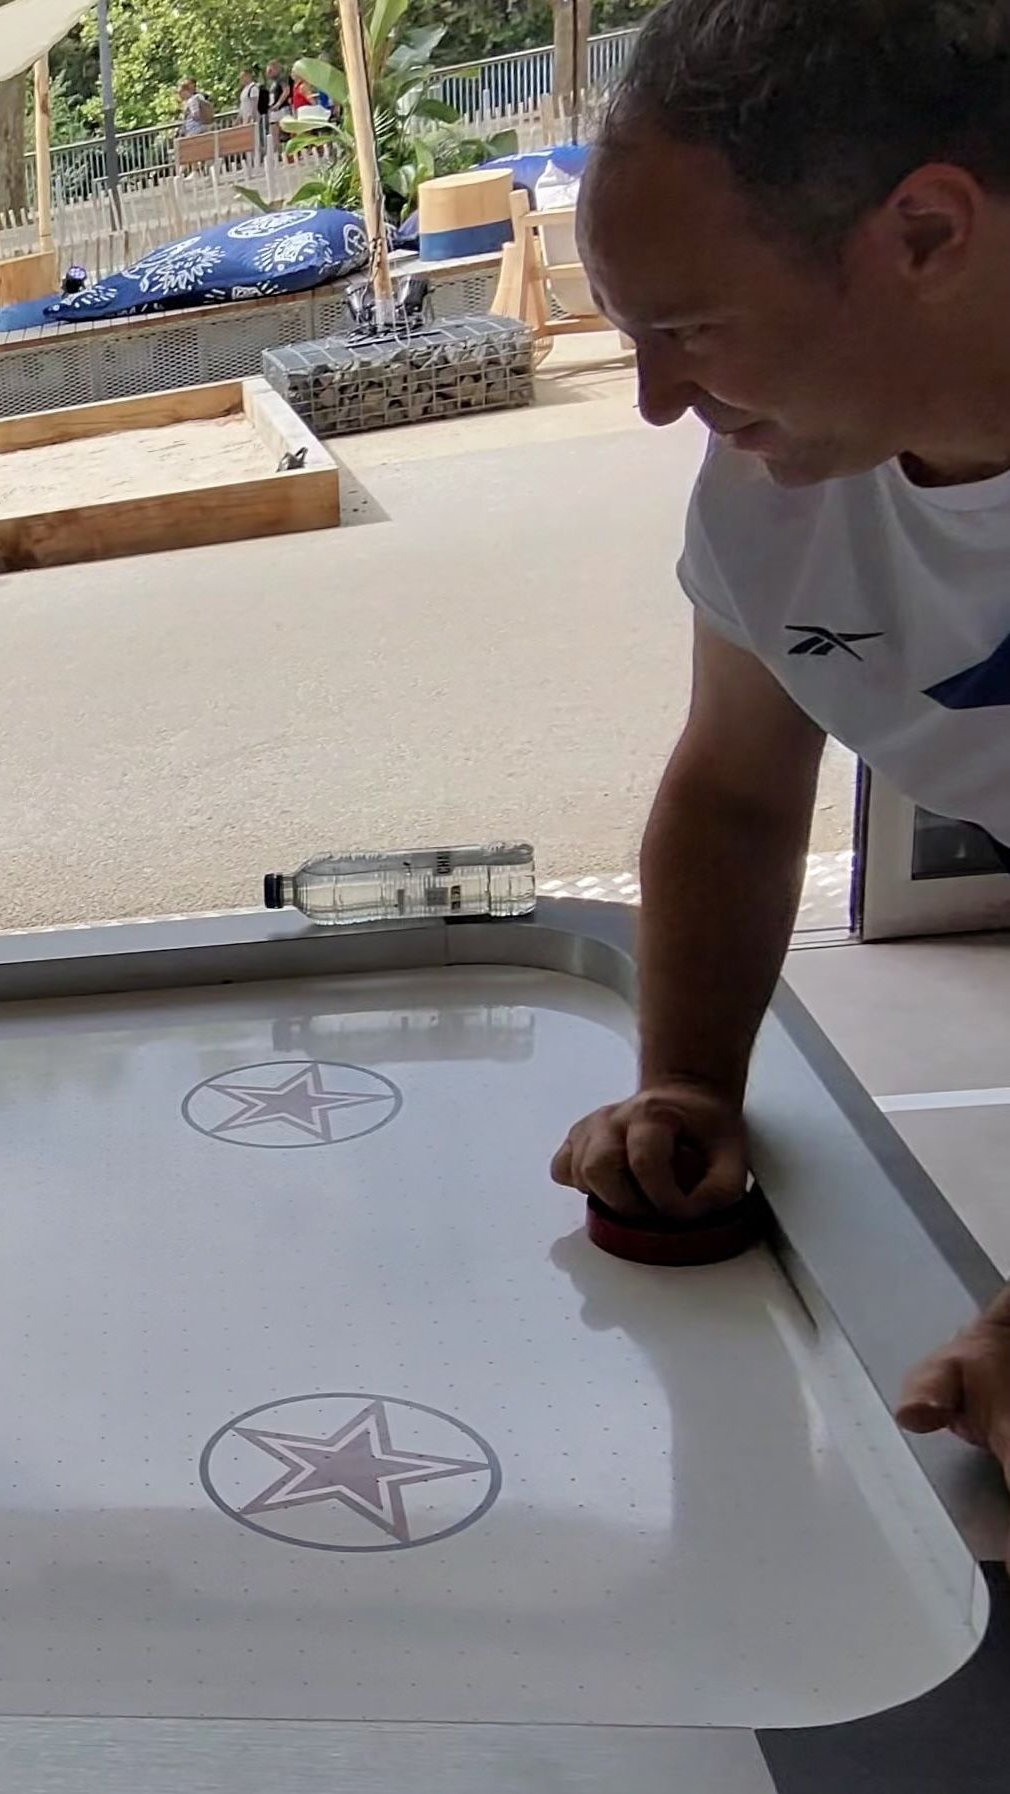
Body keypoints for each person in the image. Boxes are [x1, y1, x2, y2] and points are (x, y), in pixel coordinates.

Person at [561, 0, 1010, 1470]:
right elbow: (738, 792)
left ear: (926, 232)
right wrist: (686, 1080)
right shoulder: (779, 494)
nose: (656, 403)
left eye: (688, 331)